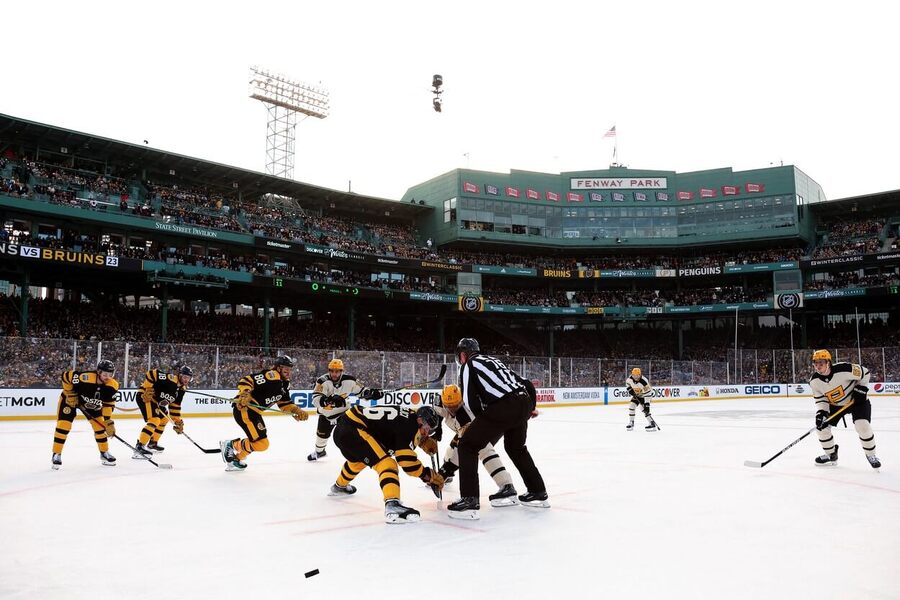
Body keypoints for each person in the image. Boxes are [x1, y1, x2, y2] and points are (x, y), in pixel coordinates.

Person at [448, 337, 547, 520]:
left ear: (463, 355)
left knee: (467, 445)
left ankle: (469, 500)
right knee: (516, 448)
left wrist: (479, 425)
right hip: (522, 401)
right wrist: (530, 407)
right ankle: (537, 491)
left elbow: (470, 400)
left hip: (504, 406)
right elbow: (527, 383)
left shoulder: (468, 365)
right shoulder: (494, 361)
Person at [329, 404, 445, 523]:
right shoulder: (409, 426)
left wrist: (422, 442)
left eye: (430, 431)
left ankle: (339, 486)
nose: (426, 433)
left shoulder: (408, 418)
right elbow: (406, 461)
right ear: (420, 420)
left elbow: (392, 429)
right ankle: (392, 504)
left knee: (357, 462)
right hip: (354, 429)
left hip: (345, 428)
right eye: (426, 428)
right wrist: (427, 475)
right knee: (387, 464)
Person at [219, 355, 308, 471]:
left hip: (254, 413)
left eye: (290, 369)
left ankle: (235, 459)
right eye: (286, 368)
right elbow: (246, 380)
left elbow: (284, 403)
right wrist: (245, 393)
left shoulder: (285, 384)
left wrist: (296, 410)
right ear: (279, 367)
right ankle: (231, 445)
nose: (289, 371)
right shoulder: (271, 375)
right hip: (245, 410)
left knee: (261, 443)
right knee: (261, 443)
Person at [437, 384, 518, 506]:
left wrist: (446, 469)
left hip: (492, 423)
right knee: (454, 445)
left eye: (456, 406)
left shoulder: (465, 416)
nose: (452, 409)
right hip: (473, 425)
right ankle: (447, 476)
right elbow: (436, 412)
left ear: (461, 401)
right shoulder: (439, 403)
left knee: (482, 449)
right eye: (449, 406)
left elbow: (465, 447)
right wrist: (436, 429)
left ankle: (507, 485)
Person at [809, 349, 881, 469]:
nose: (818, 366)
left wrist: (861, 388)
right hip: (835, 405)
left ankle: (871, 455)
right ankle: (831, 454)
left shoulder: (844, 369)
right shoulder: (814, 381)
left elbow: (865, 372)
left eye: (821, 363)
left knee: (862, 426)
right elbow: (821, 399)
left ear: (828, 363)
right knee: (822, 428)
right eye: (815, 363)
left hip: (856, 401)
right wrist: (821, 413)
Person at [307, 358, 382, 461]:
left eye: (337, 371)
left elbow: (362, 392)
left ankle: (364, 451)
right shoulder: (322, 381)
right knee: (321, 436)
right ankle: (320, 452)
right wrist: (329, 400)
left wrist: (372, 394)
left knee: (352, 433)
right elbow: (315, 399)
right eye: (332, 371)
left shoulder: (350, 380)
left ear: (342, 371)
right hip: (326, 415)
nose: (334, 374)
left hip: (344, 413)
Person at [51, 359, 119, 470]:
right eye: (105, 374)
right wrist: (69, 392)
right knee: (64, 425)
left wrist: (107, 421)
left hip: (90, 403)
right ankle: (56, 454)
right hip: (70, 399)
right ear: (98, 372)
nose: (107, 377)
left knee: (100, 428)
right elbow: (65, 376)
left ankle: (104, 453)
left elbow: (108, 404)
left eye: (110, 374)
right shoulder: (85, 377)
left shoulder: (112, 386)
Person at [133, 365, 192, 459]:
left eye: (188, 378)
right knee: (154, 420)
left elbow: (175, 406)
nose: (186, 380)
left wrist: (177, 421)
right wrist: (148, 389)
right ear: (179, 375)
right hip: (146, 397)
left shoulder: (181, 390)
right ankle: (139, 447)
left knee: (164, 419)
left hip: (157, 403)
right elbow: (152, 374)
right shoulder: (171, 379)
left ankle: (152, 443)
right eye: (184, 377)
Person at [625, 367, 658, 431]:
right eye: (634, 375)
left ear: (640, 375)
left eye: (637, 375)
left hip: (646, 395)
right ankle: (631, 422)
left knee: (644, 409)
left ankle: (652, 423)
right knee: (632, 405)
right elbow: (628, 385)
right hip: (637, 395)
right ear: (632, 375)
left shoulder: (644, 381)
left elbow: (647, 394)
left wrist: (647, 405)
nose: (636, 377)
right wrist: (630, 390)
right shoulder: (629, 379)